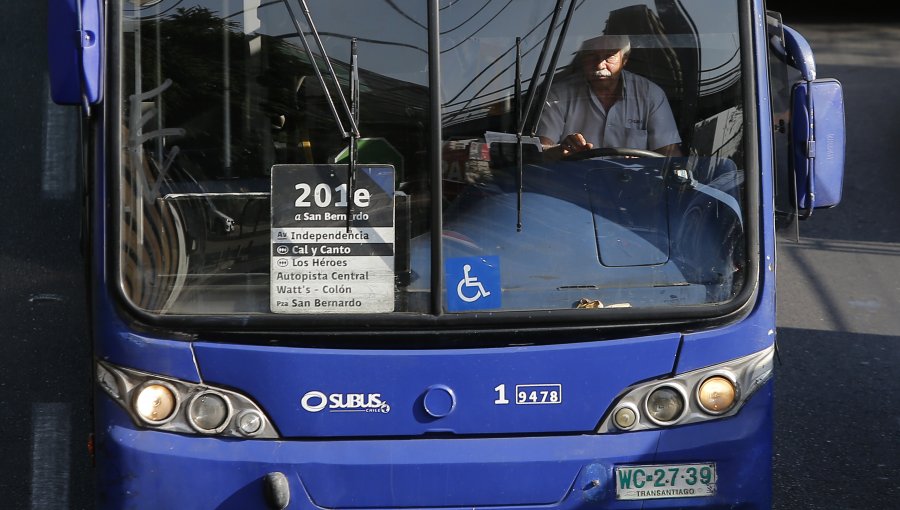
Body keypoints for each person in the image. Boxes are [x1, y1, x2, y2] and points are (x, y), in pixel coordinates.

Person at [537, 34, 682, 158]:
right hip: (573, 183)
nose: (600, 65)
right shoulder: (558, 95)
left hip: (634, 184)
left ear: (624, 60)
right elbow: (540, 151)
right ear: (581, 59)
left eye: (609, 56)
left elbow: (669, 155)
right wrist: (561, 150)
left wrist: (644, 162)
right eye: (591, 56)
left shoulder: (650, 95)